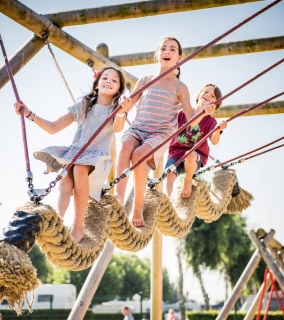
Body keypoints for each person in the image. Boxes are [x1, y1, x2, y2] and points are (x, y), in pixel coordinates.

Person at [14, 67, 129, 243]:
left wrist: (121, 112)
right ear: (97, 84)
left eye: (114, 80)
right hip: (76, 154)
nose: (109, 81)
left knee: (79, 170)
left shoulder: (116, 109)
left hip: (97, 158)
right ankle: (57, 220)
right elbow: (53, 127)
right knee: (66, 179)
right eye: (105, 77)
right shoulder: (83, 107)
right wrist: (29, 114)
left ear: (119, 90)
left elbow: (118, 128)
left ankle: (78, 227)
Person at [115, 36, 210, 226]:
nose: (167, 51)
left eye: (172, 49)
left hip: (160, 133)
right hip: (138, 128)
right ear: (157, 55)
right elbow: (128, 106)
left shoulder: (179, 87)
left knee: (139, 156)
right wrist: (123, 107)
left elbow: (191, 120)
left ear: (179, 58)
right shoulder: (144, 81)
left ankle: (138, 207)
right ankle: (117, 198)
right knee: (125, 146)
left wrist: (203, 111)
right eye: (163, 48)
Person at [165, 84, 227, 198]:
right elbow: (170, 126)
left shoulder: (210, 121)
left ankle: (187, 181)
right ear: (199, 94)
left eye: (212, 96)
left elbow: (214, 141)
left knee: (190, 155)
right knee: (168, 175)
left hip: (195, 156)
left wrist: (218, 129)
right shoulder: (183, 113)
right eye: (206, 92)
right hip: (176, 153)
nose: (208, 95)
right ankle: (166, 199)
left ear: (215, 104)